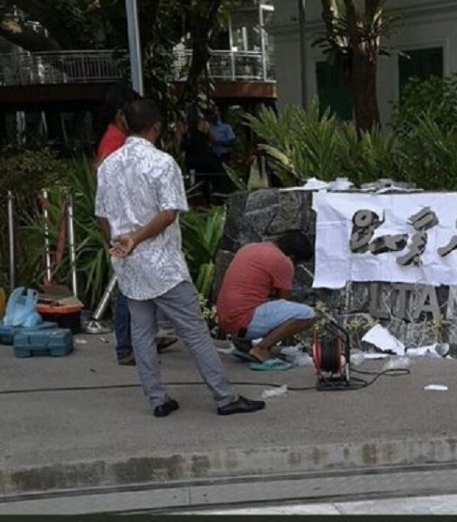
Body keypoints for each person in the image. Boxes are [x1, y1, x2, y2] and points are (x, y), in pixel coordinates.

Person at [95, 98, 264, 417]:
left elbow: (101, 214)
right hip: (161, 265)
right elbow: (169, 213)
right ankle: (224, 397)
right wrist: (137, 239)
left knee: (141, 333)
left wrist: (118, 243)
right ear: (157, 126)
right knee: (194, 331)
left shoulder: (109, 165)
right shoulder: (162, 163)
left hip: (129, 265)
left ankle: (158, 399)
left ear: (126, 125)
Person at [94, 82, 178, 366]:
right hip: (131, 231)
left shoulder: (117, 139)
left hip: (129, 232)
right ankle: (128, 346)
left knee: (133, 290)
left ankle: (139, 344)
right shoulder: (116, 143)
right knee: (130, 291)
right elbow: (105, 184)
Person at [216, 232, 316, 371]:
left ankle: (244, 345)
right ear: (293, 257)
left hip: (225, 320)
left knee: (253, 303)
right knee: (307, 314)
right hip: (244, 321)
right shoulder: (283, 261)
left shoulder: (249, 248)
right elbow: (284, 300)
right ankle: (261, 349)